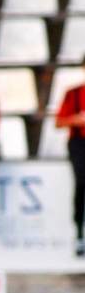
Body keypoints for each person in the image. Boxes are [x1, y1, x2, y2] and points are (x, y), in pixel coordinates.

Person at [55, 57, 85, 257]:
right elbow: (58, 122)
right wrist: (77, 120)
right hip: (79, 142)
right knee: (81, 182)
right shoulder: (73, 94)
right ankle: (79, 232)